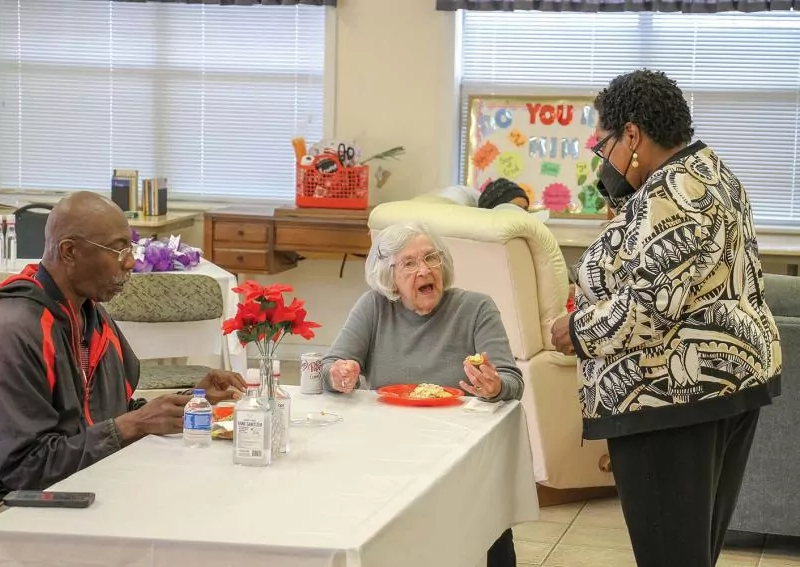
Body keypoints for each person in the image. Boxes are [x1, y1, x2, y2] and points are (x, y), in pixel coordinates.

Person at [550, 70, 781, 567]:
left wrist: (577, 331)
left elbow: (649, 307)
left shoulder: (671, 194)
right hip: (728, 385)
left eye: (604, 144)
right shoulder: (710, 172)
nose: (603, 159)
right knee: (691, 553)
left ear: (632, 135)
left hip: (669, 398)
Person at [0, 192, 245, 566]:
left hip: (82, 484)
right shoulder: (11, 332)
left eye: (131, 248)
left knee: (206, 509)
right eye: (118, 249)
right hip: (1, 509)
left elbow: (109, 415)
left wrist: (190, 401)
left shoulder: (90, 316)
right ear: (70, 252)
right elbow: (26, 469)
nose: (131, 262)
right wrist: (134, 424)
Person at [321, 222, 524, 567]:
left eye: (431, 258)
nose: (425, 270)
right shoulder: (374, 307)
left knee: (482, 517)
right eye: (409, 263)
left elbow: (511, 380)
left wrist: (495, 386)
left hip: (459, 446)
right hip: (388, 445)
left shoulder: (476, 307)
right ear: (390, 278)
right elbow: (331, 365)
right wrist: (340, 374)